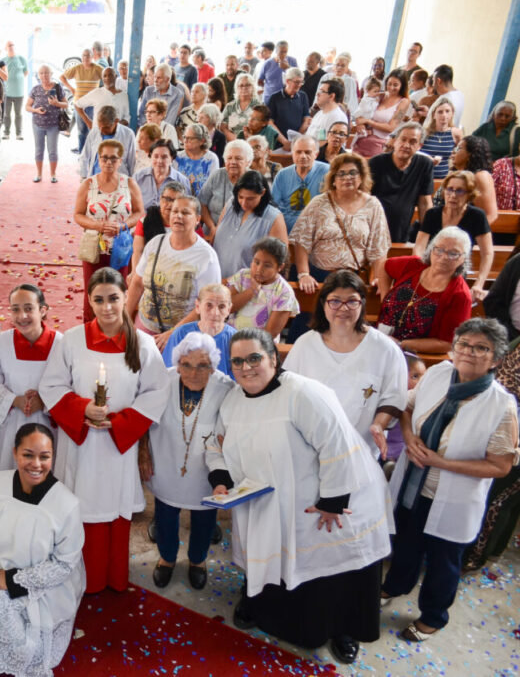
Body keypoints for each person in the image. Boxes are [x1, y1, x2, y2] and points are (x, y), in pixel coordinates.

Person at [207, 328, 391, 665]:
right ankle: (259, 607)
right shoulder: (232, 400)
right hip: (262, 501)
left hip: (319, 501)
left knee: (330, 566)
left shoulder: (303, 393)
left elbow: (337, 444)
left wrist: (333, 501)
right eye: (237, 361)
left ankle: (341, 628)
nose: (246, 367)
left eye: (254, 358)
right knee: (270, 555)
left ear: (273, 359)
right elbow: (215, 443)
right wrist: (220, 479)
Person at [382, 319, 517, 641]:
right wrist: (409, 437)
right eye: (463, 344)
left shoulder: (502, 405)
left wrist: (442, 463)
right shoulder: (439, 374)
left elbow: (500, 466)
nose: (469, 352)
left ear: (496, 359)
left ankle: (433, 616)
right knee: (406, 543)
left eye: (481, 348)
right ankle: (394, 586)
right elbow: (406, 408)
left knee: (444, 560)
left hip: (455, 495)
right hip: (414, 484)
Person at [40, 267, 168, 594]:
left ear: (126, 297)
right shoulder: (71, 340)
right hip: (80, 445)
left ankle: (112, 575)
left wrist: (122, 423)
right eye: (98, 300)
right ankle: (84, 576)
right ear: (89, 300)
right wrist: (82, 408)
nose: (107, 307)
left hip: (116, 447)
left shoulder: (143, 344)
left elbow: (157, 392)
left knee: (113, 508)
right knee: (80, 506)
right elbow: (51, 385)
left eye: (114, 298)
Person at [0, 422, 84, 677]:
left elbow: (64, 564)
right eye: (27, 455)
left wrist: (12, 581)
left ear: (53, 457)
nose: (36, 465)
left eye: (45, 457)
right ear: (15, 453)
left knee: (10, 630)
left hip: (41, 587)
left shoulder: (67, 504)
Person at [141, 333, 233, 589]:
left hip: (206, 470)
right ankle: (167, 558)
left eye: (202, 365)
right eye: (186, 365)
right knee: (165, 514)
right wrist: (143, 452)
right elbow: (144, 417)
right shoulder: (163, 381)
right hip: (166, 461)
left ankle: (197, 560)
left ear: (213, 366)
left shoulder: (226, 389)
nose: (193, 373)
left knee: (205, 519)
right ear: (177, 364)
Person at [284, 271, 408, 460]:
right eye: (335, 301)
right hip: (310, 450)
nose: (343, 308)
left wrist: (379, 425)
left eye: (352, 301)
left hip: (360, 451)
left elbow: (394, 396)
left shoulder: (384, 349)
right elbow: (287, 391)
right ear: (323, 304)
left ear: (362, 304)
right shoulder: (305, 344)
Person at [0, 285, 61, 474]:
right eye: (15, 309)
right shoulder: (2, 342)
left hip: (47, 424)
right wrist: (15, 400)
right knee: (9, 473)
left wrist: (44, 401)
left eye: (28, 308)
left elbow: (67, 385)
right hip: (11, 423)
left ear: (43, 310)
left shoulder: (60, 344)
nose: (22, 316)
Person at [291, 153, 391, 296]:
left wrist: (378, 278)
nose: (347, 177)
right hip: (320, 277)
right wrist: (304, 274)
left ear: (361, 177)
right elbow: (301, 240)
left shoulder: (373, 205)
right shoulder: (319, 203)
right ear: (333, 179)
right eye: (341, 174)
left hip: (354, 278)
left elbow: (379, 247)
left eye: (353, 173)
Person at [128, 192, 221, 345]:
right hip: (144, 327)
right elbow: (137, 283)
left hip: (181, 336)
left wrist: (172, 333)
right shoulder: (156, 243)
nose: (178, 216)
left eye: (185, 212)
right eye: (175, 211)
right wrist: (125, 317)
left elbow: (207, 304)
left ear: (198, 219)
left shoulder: (206, 257)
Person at [461, 335, 520, 572]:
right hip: (502, 429)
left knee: (498, 500)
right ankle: (488, 550)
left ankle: (477, 555)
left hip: (511, 438)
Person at [74, 139, 145, 321]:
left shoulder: (129, 184)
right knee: (93, 290)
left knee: (118, 290)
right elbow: (78, 215)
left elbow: (139, 212)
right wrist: (97, 225)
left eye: (113, 158)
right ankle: (90, 328)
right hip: (94, 248)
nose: (108, 162)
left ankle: (118, 328)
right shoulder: (88, 184)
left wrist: (123, 225)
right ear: (98, 159)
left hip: (120, 248)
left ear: (120, 161)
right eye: (104, 158)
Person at [376, 226, 473, 354]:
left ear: (463, 258)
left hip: (414, 355)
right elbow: (384, 266)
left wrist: (400, 344)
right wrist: (384, 296)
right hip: (380, 340)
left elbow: (447, 344)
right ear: (431, 249)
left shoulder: (460, 295)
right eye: (439, 250)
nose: (444, 257)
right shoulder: (414, 265)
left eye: (453, 253)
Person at [414, 170, 493, 300]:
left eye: (460, 191)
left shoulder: (477, 216)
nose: (453, 195)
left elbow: (487, 253)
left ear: (469, 194)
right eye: (449, 189)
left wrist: (479, 283)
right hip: (431, 268)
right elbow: (419, 247)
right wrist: (421, 270)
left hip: (457, 270)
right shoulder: (432, 214)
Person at [212, 170, 287, 278]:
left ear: (262, 193)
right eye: (240, 197)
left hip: (247, 283)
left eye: (250, 199)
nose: (244, 203)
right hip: (217, 278)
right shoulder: (230, 205)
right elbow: (217, 236)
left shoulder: (274, 218)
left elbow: (279, 259)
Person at [369, 122, 434, 242]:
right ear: (395, 141)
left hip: (401, 230)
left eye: (412, 142)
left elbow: (425, 202)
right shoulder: (375, 163)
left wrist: (427, 235)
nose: (406, 145)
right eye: (403, 139)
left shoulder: (424, 165)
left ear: (419, 146)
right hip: (373, 229)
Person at [225, 237, 299, 337]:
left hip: (259, 343)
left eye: (267, 265)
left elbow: (270, 334)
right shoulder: (243, 276)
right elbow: (227, 308)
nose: (259, 269)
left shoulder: (284, 292)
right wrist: (251, 291)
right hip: (230, 336)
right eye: (256, 262)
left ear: (280, 267)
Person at [162, 282, 237, 378]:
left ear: (228, 310)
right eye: (209, 305)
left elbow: (238, 379)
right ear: (197, 306)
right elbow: (170, 374)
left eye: (222, 306)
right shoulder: (181, 334)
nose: (215, 313)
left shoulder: (235, 339)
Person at [271, 136, 329, 231]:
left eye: (307, 152)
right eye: (298, 152)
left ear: (316, 154)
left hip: (317, 229)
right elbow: (273, 206)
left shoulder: (327, 172)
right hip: (286, 229)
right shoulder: (282, 174)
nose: (303, 156)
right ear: (292, 153)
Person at [197, 139, 253, 238]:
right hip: (211, 230)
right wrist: (212, 227)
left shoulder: (254, 179)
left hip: (241, 233)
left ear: (248, 162)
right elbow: (202, 203)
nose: (233, 162)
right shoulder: (217, 175)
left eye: (238, 158)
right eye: (229, 158)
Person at [354, 70, 412, 158]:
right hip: (362, 139)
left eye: (395, 85)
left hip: (379, 144)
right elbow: (361, 111)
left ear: (402, 86)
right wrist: (360, 124)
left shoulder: (404, 102)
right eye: (389, 84)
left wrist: (368, 121)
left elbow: (391, 127)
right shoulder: (380, 95)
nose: (391, 87)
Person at [26, 65, 67, 184]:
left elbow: (66, 104)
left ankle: (53, 174)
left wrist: (56, 103)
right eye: (41, 73)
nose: (44, 75)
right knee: (39, 150)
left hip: (53, 125)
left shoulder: (58, 87)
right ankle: (39, 174)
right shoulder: (35, 89)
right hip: (37, 124)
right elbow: (27, 106)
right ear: (38, 75)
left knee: (52, 151)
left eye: (46, 73)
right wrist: (36, 110)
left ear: (51, 74)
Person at [447, 135, 499, 225]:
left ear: (470, 154)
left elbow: (490, 215)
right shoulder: (455, 174)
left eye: (458, 148)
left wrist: (470, 233)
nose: (453, 152)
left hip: (464, 230)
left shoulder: (480, 176)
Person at [61, 49, 105, 152]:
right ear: (81, 57)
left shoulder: (98, 68)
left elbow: (108, 78)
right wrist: (71, 89)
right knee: (81, 131)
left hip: (92, 105)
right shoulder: (77, 68)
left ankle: (91, 153)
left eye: (88, 56)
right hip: (79, 105)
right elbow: (62, 77)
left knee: (93, 130)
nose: (86, 58)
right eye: (84, 55)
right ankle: (81, 153)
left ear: (92, 57)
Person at [80, 107, 137, 179]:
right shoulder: (94, 131)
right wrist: (84, 177)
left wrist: (131, 181)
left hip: (119, 180)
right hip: (95, 178)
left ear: (116, 121)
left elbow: (132, 162)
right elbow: (84, 157)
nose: (101, 130)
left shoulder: (128, 134)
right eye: (99, 126)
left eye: (106, 127)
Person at [134, 139, 191, 207]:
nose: (159, 161)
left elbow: (187, 207)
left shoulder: (182, 181)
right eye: (156, 156)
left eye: (164, 157)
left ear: (171, 158)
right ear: (150, 156)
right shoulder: (138, 177)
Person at [75, 67, 130, 132]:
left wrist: (116, 126)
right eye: (105, 76)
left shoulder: (124, 95)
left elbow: (127, 117)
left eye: (110, 75)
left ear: (115, 77)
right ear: (102, 79)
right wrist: (88, 122)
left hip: (116, 134)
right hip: (98, 133)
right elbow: (77, 105)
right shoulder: (97, 92)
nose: (107, 78)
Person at [420, 97, 463, 179]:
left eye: (447, 111)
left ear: (452, 114)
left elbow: (462, 154)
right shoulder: (424, 132)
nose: (444, 115)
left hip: (443, 179)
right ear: (434, 115)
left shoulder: (456, 133)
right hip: (422, 177)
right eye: (440, 112)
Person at [267, 68, 310, 144]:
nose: (299, 85)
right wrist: (285, 142)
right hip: (279, 142)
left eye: (301, 82)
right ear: (287, 81)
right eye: (297, 82)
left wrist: (296, 139)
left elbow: (306, 120)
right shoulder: (274, 98)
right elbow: (270, 122)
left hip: (297, 141)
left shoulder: (303, 96)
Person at [175, 123, 219, 196]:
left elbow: (214, 186)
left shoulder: (211, 159)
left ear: (202, 141)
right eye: (185, 137)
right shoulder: (177, 157)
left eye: (190, 138)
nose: (185, 141)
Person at [0, 40, 28, 140]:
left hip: (19, 92)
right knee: (6, 114)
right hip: (7, 93)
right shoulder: (3, 60)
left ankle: (19, 133)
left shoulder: (21, 59)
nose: (11, 47)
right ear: (5, 48)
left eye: (12, 45)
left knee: (18, 114)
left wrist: (18, 79)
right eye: (9, 45)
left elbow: (26, 72)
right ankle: (6, 133)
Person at [305, 79, 349, 144]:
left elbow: (327, 143)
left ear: (331, 96)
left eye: (322, 91)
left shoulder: (337, 117)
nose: (317, 94)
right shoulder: (319, 113)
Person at [219, 74, 259, 141]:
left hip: (252, 141)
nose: (244, 88)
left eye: (247, 85)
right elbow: (222, 127)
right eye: (241, 85)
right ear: (237, 88)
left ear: (253, 87)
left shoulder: (259, 106)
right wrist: (236, 139)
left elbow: (263, 129)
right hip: (232, 141)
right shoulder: (230, 106)